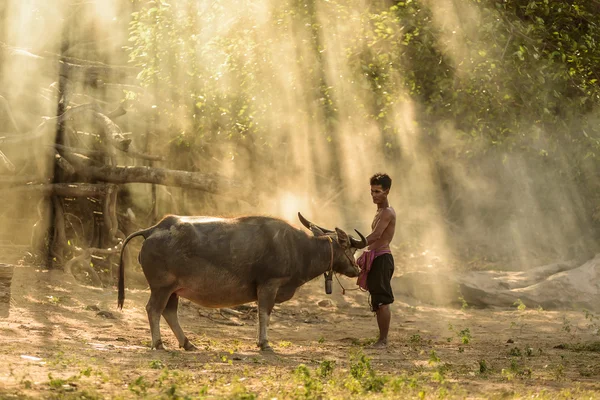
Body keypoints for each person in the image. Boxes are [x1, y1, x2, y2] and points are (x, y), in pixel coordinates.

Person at [357, 173, 396, 348]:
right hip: (375, 258)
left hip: (382, 258)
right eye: (372, 191)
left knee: (382, 301)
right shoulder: (379, 211)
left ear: (387, 191)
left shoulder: (387, 212)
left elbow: (377, 235)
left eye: (378, 191)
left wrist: (354, 244)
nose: (374, 195)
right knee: (376, 300)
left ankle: (383, 340)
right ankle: (381, 339)